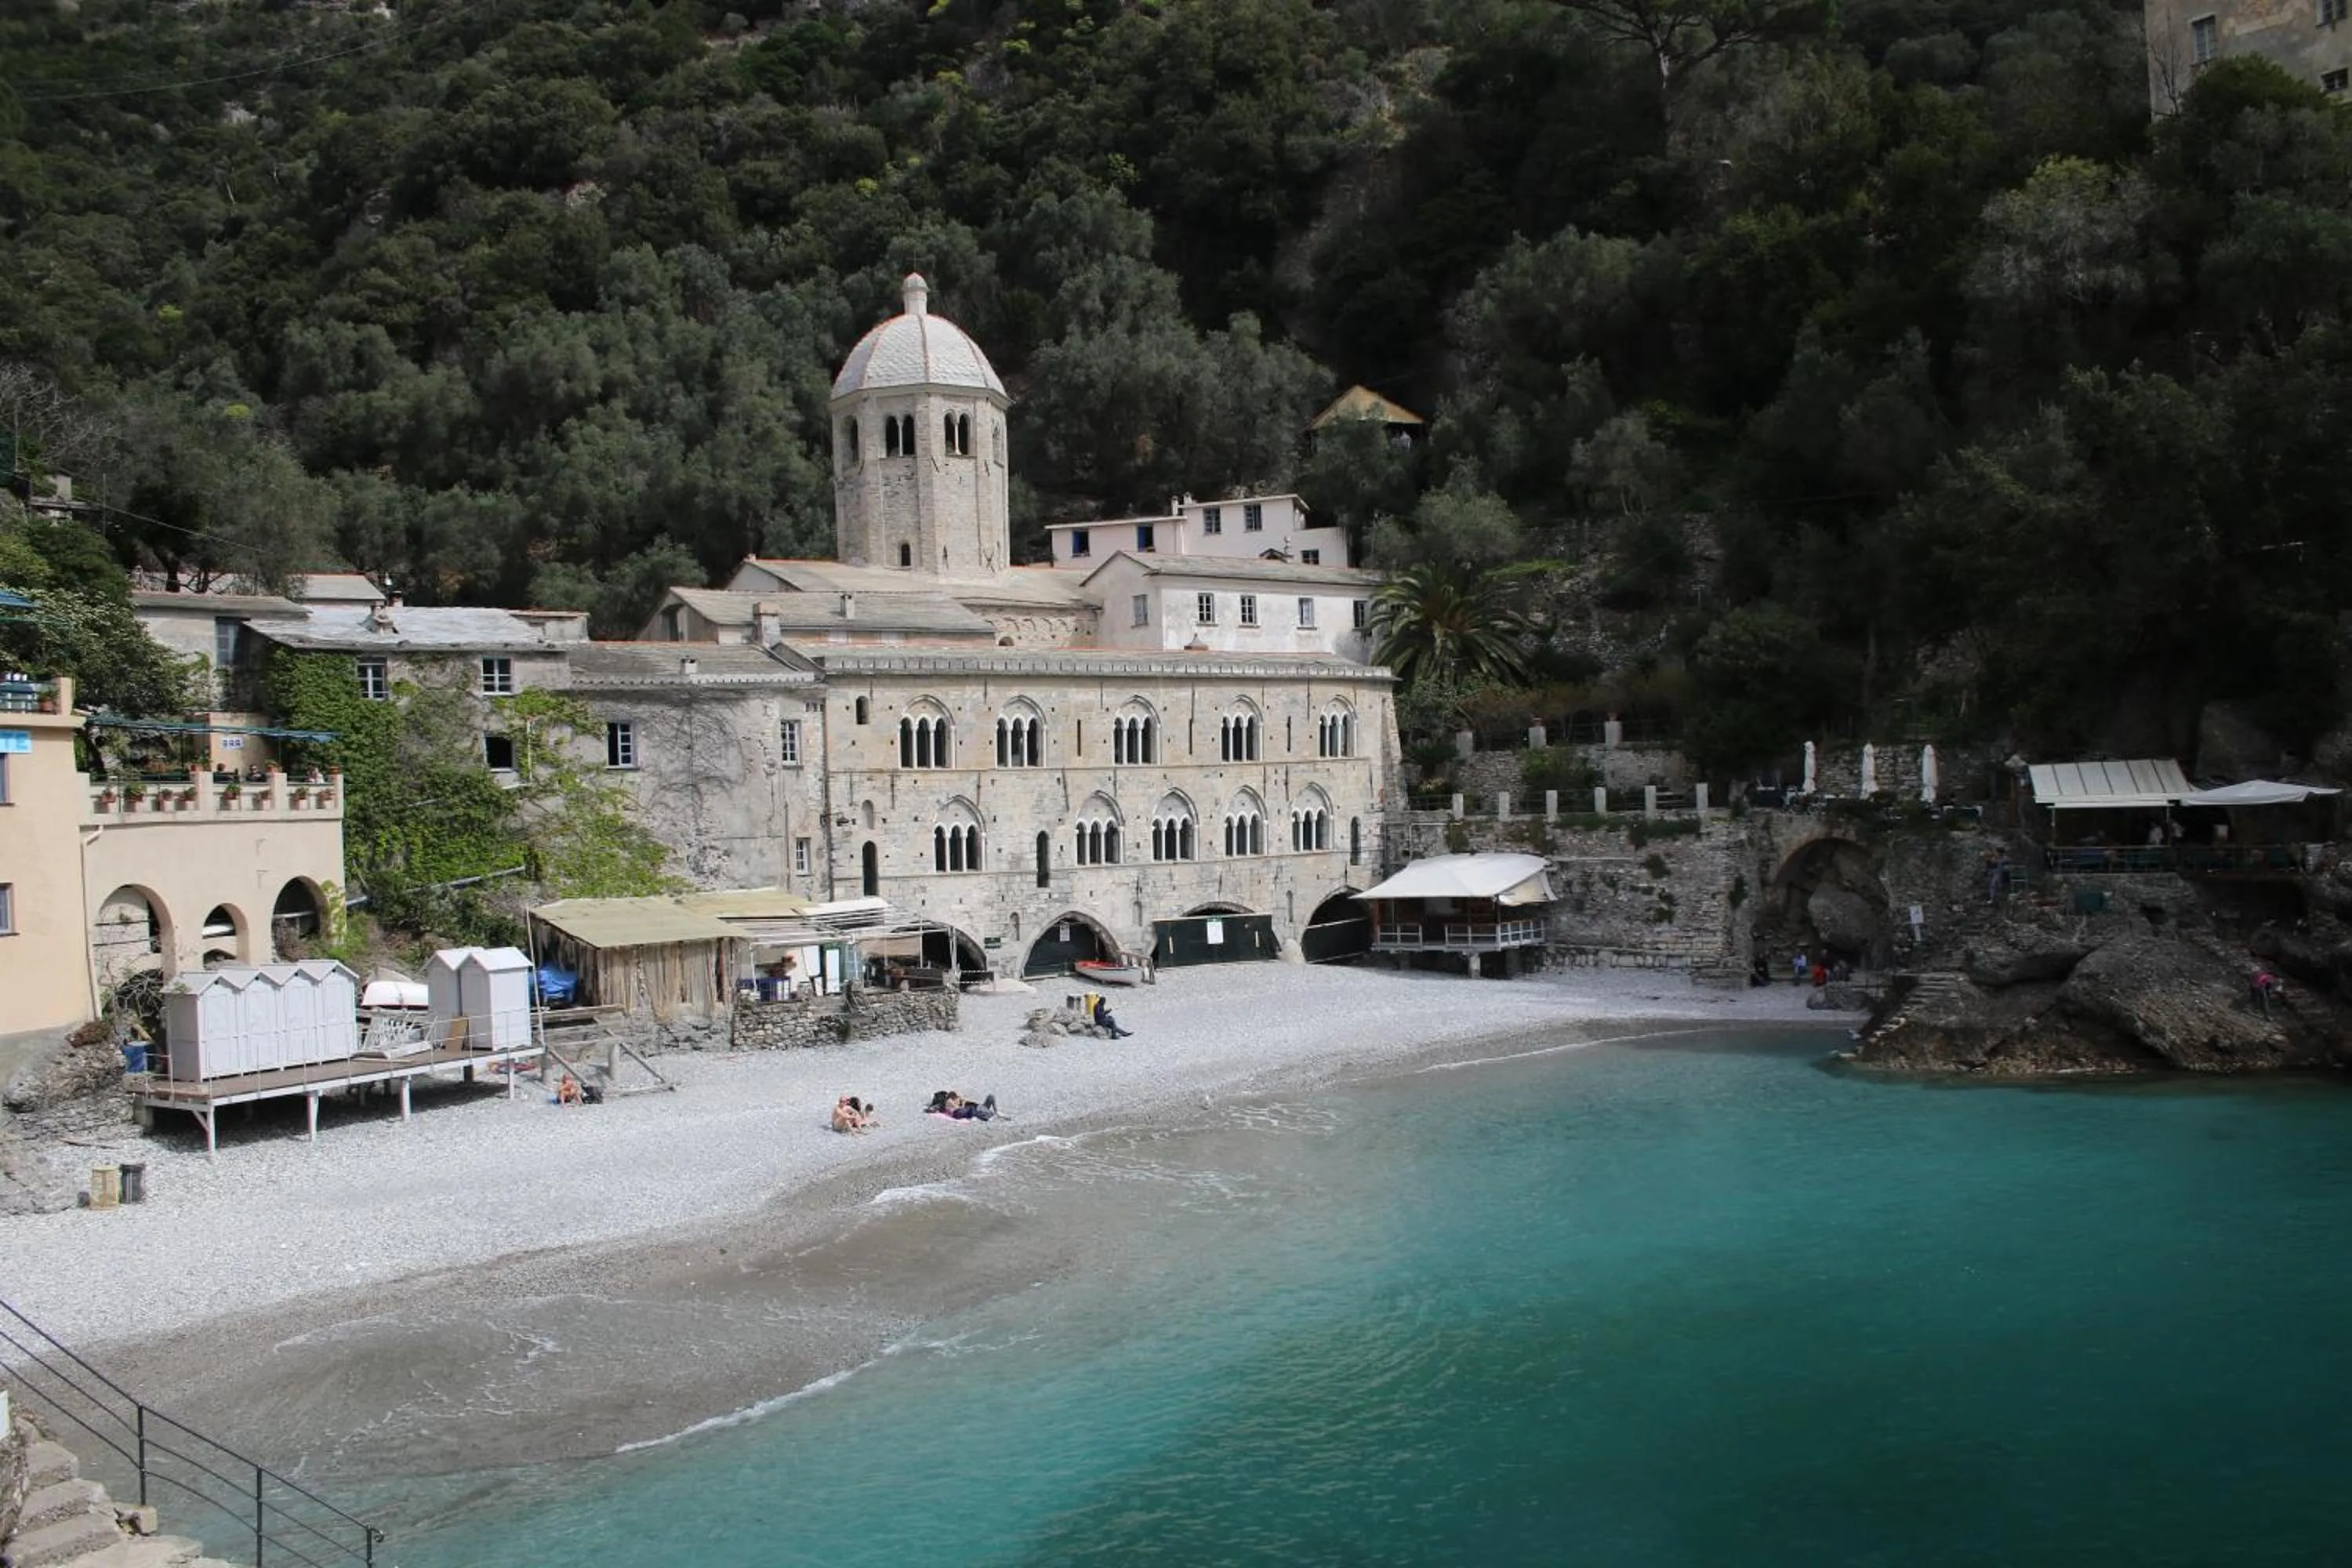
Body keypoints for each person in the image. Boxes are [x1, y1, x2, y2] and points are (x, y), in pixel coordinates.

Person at [927, 1090, 999, 1121]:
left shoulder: (954, 1099)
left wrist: (964, 1101)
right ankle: (987, 1118)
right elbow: (958, 1108)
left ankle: (996, 1112)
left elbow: (968, 1102)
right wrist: (963, 1104)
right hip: (959, 1112)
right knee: (972, 1109)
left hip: (978, 1107)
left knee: (991, 1096)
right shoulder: (949, 1101)